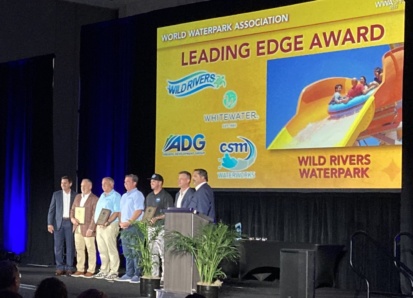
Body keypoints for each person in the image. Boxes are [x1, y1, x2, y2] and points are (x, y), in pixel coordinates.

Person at [116, 174, 145, 284]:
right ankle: (129, 272)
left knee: (136, 251)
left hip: (134, 226)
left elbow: (138, 210)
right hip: (124, 227)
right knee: (127, 251)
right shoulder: (124, 196)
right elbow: (121, 211)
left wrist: (129, 222)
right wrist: (120, 222)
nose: (125, 183)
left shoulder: (138, 195)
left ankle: (137, 274)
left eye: (128, 181)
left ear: (134, 183)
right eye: (124, 182)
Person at [145, 173, 174, 281]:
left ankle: (165, 277)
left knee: (163, 253)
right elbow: (147, 211)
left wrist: (157, 218)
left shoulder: (166, 196)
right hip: (150, 228)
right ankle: (154, 275)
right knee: (152, 253)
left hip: (161, 228)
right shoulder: (149, 196)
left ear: (160, 183)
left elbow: (169, 213)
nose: (151, 183)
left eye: (154, 181)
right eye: (151, 181)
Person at [47, 176, 77, 276]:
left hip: (70, 222)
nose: (63, 185)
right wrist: (49, 223)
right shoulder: (56, 195)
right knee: (58, 247)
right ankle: (59, 267)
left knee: (70, 246)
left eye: (65, 183)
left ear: (70, 184)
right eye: (61, 183)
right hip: (58, 223)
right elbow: (51, 210)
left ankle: (69, 267)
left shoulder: (75, 195)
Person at [93, 177, 121, 281]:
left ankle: (114, 271)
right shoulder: (102, 196)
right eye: (102, 184)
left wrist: (108, 221)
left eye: (105, 184)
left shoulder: (116, 196)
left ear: (111, 185)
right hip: (99, 226)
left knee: (111, 248)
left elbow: (117, 212)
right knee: (102, 249)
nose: (103, 186)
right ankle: (104, 269)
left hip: (110, 225)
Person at [70, 179, 99, 278]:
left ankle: (91, 270)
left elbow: (95, 215)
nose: (82, 188)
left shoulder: (94, 199)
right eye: (81, 186)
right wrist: (72, 219)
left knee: (90, 249)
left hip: (88, 228)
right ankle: (80, 269)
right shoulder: (78, 197)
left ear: (90, 187)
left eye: (85, 186)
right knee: (79, 249)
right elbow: (72, 209)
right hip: (77, 227)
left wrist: (91, 228)